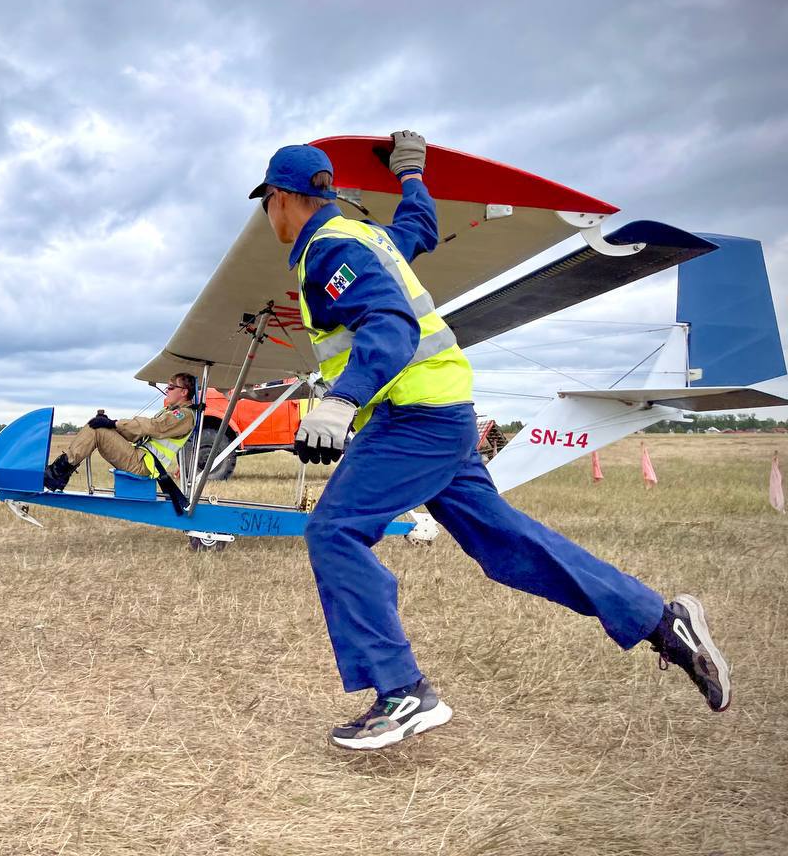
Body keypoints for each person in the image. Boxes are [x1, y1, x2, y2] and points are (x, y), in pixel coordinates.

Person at [252, 133, 731, 751]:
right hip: (446, 415)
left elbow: (391, 326)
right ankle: (663, 623)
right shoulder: (370, 239)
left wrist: (342, 399)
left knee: (334, 530)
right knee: (506, 544)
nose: (267, 215)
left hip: (414, 417)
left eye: (266, 202)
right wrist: (412, 175)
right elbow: (419, 228)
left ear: (284, 198)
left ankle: (401, 693)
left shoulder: (329, 249)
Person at [43, 373, 197, 492]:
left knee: (97, 430)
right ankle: (58, 473)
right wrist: (113, 425)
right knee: (98, 426)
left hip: (143, 465)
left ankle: (56, 474)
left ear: (184, 392)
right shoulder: (171, 411)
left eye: (170, 388)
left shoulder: (184, 415)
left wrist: (112, 423)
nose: (167, 391)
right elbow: (138, 433)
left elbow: (154, 426)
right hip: (140, 459)